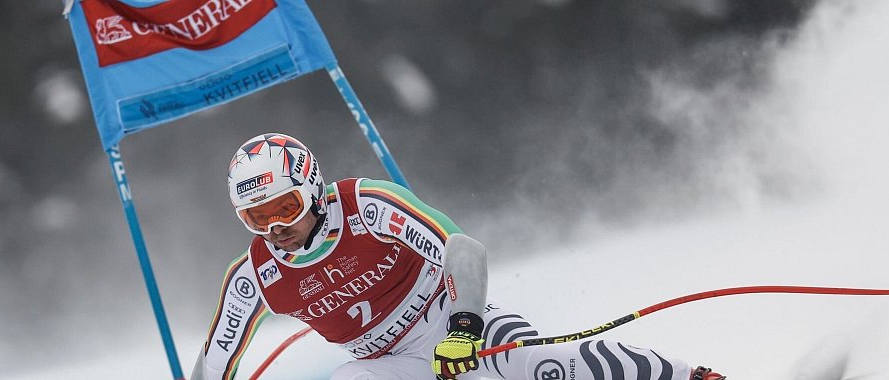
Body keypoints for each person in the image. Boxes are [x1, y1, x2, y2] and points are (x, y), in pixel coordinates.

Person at [189, 133, 726, 380]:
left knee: (536, 365)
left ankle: (687, 376)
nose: (275, 229)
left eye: (283, 207)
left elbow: (461, 248)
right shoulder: (252, 275)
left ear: (310, 187)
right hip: (388, 364)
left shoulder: (366, 204)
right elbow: (213, 366)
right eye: (256, 218)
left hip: (452, 319)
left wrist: (465, 326)